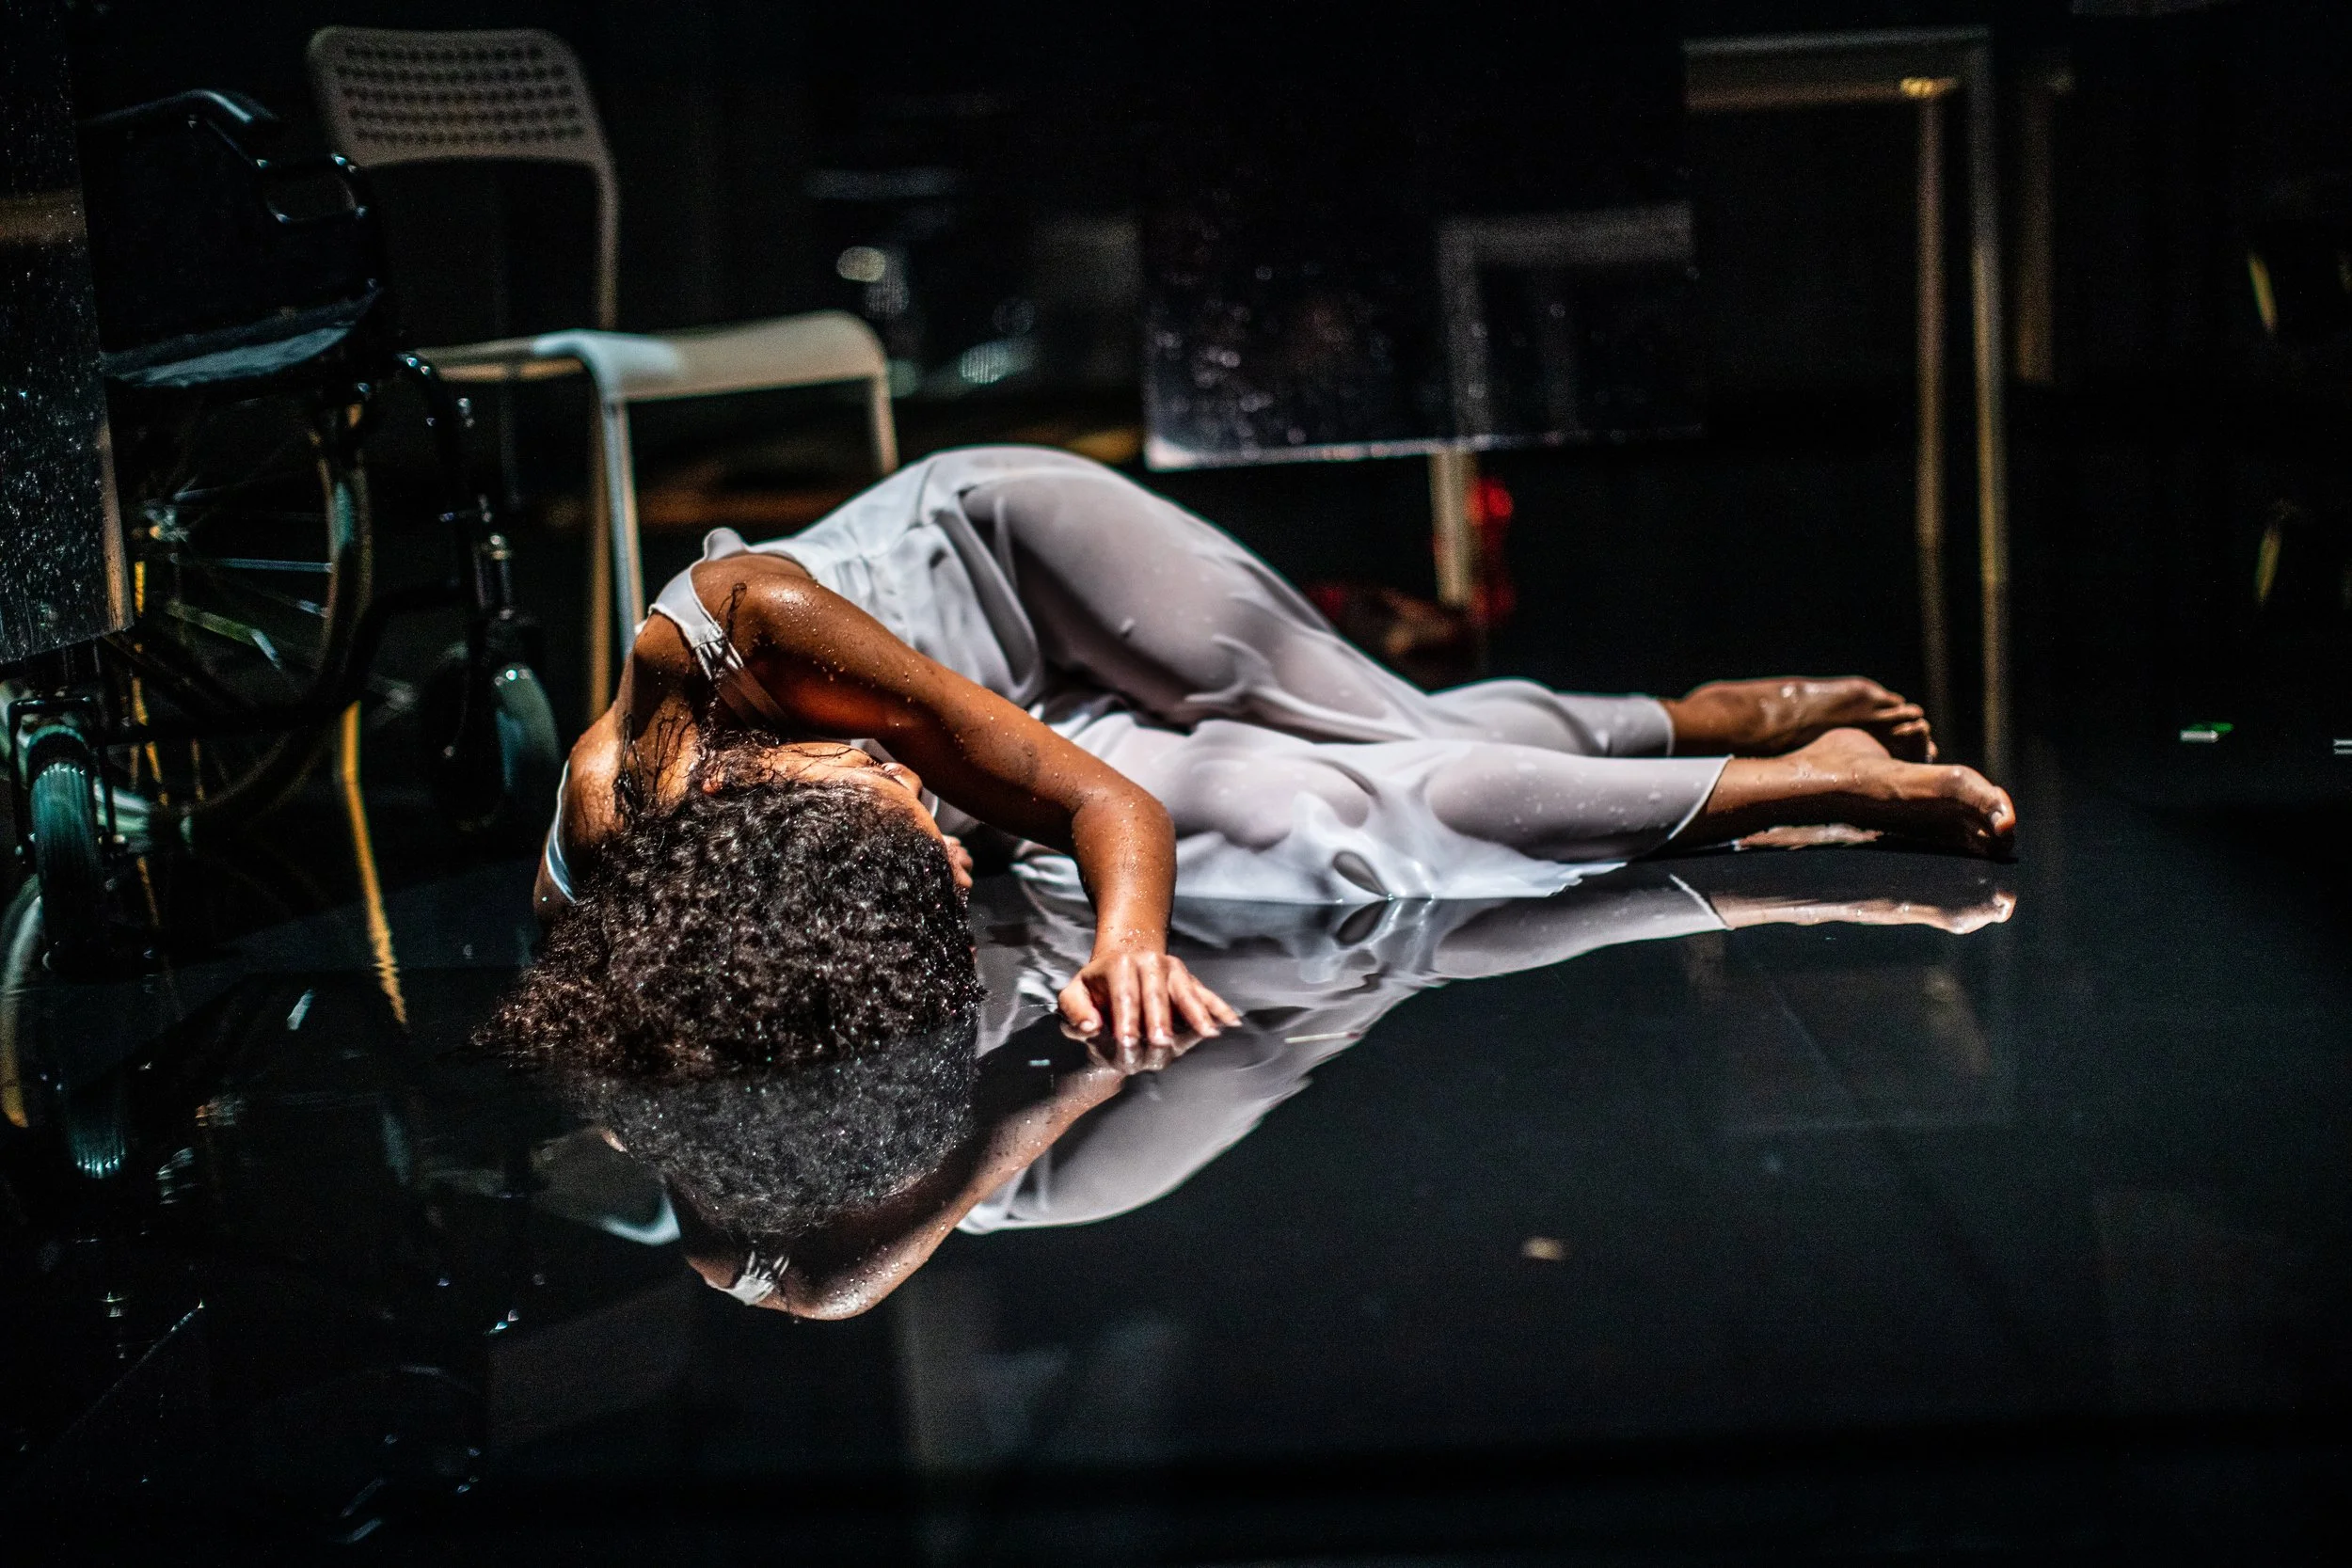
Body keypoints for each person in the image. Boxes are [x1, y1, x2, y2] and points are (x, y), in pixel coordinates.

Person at [487, 445, 2014, 1285]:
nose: (931, 835)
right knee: (1335, 814)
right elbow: (815, 1286)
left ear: (796, 787)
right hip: (1003, 770)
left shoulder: (734, 635)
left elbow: (1103, 808)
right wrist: (1047, 1107)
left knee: (1379, 727)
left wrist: (1130, 948)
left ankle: (1745, 755)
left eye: (894, 803)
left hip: (1021, 571)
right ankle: (1731, 759)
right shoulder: (695, 951)